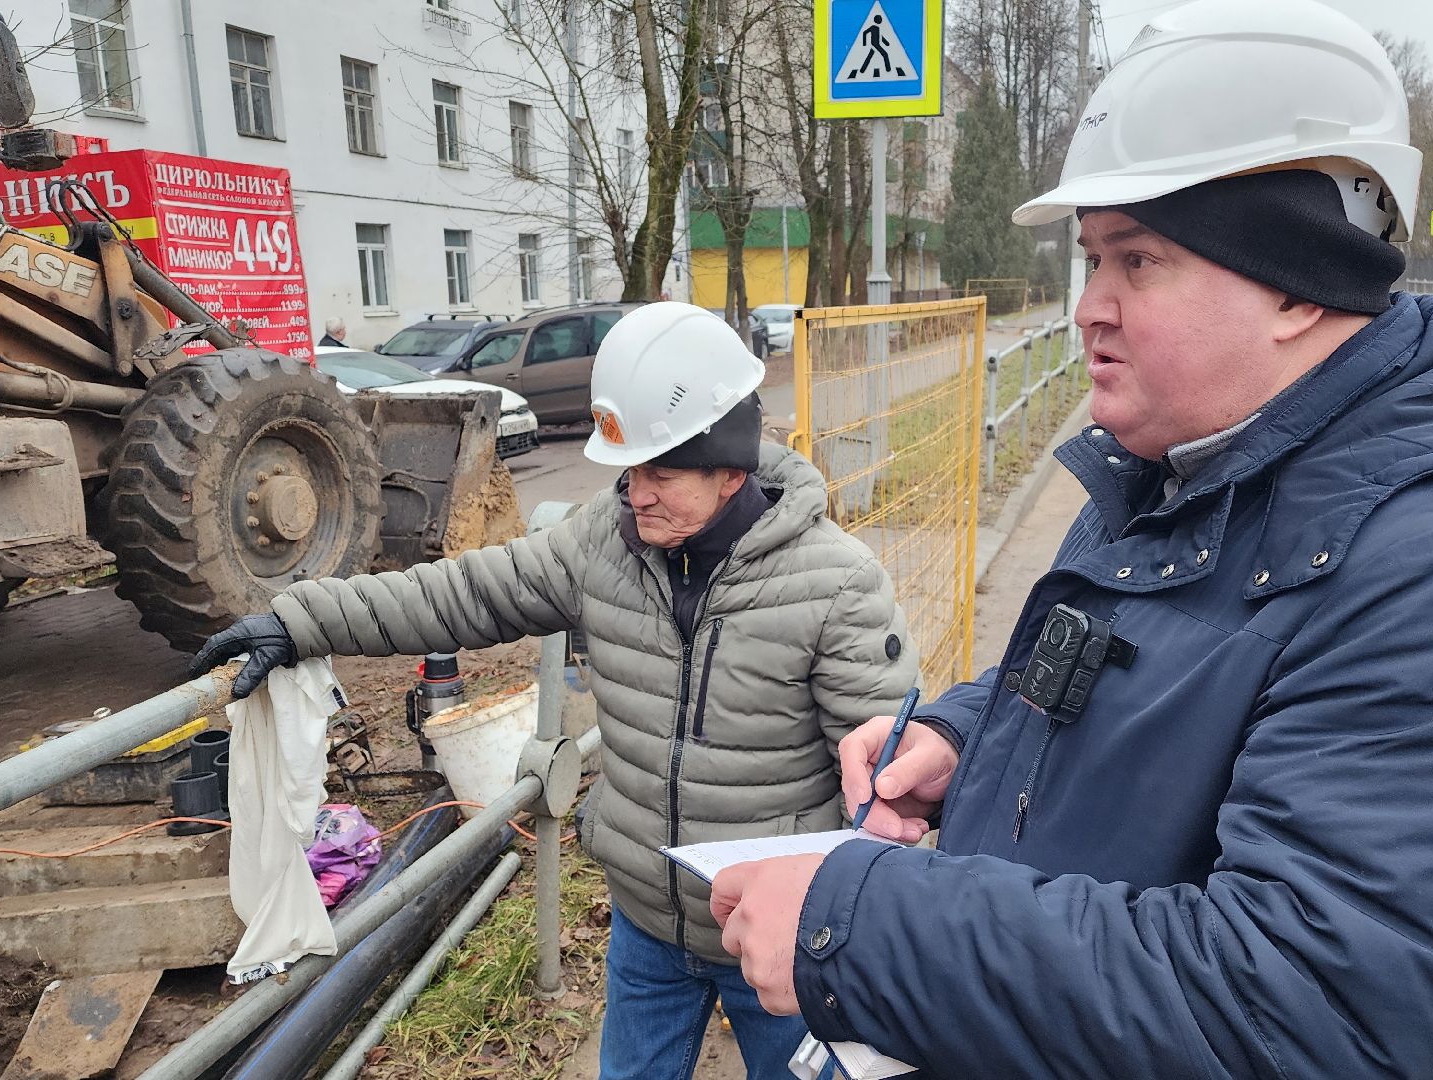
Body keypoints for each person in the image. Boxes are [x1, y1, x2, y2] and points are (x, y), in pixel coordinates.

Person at [707, 2, 1433, 1077]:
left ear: (1298, 280)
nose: (1086, 308)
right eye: (1091, 259)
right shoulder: (1203, 465)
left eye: (1135, 261)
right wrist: (969, 738)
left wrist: (861, 927)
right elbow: (1150, 676)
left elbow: (1315, 1017)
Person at [192, 302, 919, 1079]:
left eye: (661, 473)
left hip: (780, 931)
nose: (635, 494)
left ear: (732, 470)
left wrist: (847, 942)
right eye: (629, 470)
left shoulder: (836, 587)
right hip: (647, 923)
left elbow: (890, 794)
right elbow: (463, 594)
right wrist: (301, 620)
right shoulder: (601, 545)